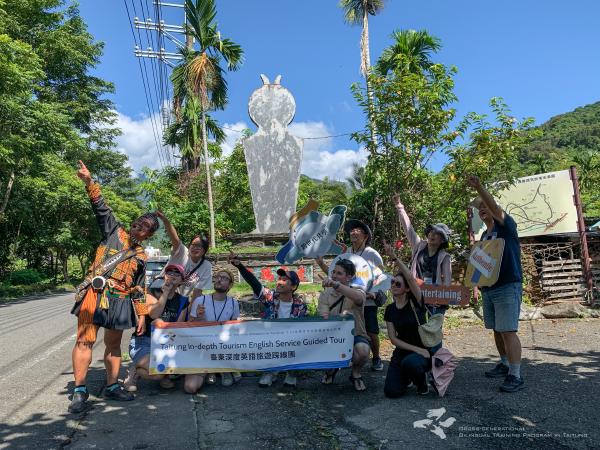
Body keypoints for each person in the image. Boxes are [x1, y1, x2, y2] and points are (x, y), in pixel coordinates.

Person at [69, 161, 159, 413]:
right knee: (84, 340)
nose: (138, 227)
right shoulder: (114, 232)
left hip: (120, 300)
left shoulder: (142, 256)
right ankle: (79, 390)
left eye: (145, 228)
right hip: (94, 294)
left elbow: (139, 288)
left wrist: (141, 313)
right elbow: (101, 207)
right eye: (138, 222)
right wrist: (89, 182)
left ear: (149, 235)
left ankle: (111, 386)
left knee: (113, 345)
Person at [466, 175, 524, 393]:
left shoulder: (506, 227)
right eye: (479, 208)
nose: (482, 209)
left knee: (508, 330)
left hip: (508, 285)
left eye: (485, 206)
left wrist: (479, 187)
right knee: (497, 330)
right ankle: (504, 363)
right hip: (489, 289)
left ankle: (516, 375)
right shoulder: (483, 236)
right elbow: (479, 266)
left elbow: (494, 208)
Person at [229, 251, 308, 387]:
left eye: (284, 280)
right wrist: (239, 266)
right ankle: (269, 372)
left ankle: (291, 372)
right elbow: (255, 283)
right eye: (279, 279)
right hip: (272, 339)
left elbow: (305, 329)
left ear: (293, 287)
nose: (279, 282)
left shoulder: (301, 306)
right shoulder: (271, 297)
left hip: (292, 340)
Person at [316, 219, 385, 372]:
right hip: (347, 299)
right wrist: (321, 263)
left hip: (367, 299)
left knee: (371, 330)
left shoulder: (372, 254)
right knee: (347, 328)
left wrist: (373, 294)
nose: (353, 232)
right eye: (352, 230)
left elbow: (382, 276)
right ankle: (344, 360)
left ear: (365, 236)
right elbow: (336, 273)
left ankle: (377, 357)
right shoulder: (347, 253)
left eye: (357, 230)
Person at [124, 264, 190, 392]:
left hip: (166, 344)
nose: (173, 275)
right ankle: (133, 371)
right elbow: (154, 314)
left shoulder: (183, 301)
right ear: (164, 276)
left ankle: (163, 375)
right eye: (169, 272)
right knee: (158, 372)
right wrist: (165, 293)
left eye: (177, 274)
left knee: (170, 369)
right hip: (143, 341)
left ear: (182, 280)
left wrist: (163, 326)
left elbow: (177, 326)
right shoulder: (151, 292)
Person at [183, 268, 241, 393]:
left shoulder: (233, 303)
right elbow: (190, 327)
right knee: (190, 387)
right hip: (202, 348)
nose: (219, 279)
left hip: (223, 346)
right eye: (218, 276)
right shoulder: (200, 301)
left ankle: (223, 369)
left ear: (230, 285)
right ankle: (214, 370)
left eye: (224, 278)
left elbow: (234, 328)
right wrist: (198, 317)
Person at [393, 194, 452, 315]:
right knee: (416, 330)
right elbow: (408, 228)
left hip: (435, 298)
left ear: (442, 240)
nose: (432, 235)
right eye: (431, 232)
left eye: (437, 234)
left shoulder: (445, 257)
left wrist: (441, 298)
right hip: (416, 294)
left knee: (433, 332)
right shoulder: (419, 246)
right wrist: (399, 205)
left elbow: (447, 281)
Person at [383, 256, 432, 398]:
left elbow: (410, 278)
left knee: (411, 363)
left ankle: (422, 382)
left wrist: (395, 258)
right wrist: (415, 349)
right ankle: (407, 376)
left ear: (407, 289)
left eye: (398, 284)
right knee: (391, 392)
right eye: (392, 282)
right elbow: (393, 339)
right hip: (404, 351)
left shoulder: (417, 303)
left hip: (424, 351)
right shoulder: (390, 309)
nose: (393, 285)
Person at [318, 258, 369, 391]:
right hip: (333, 337)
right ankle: (332, 369)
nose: (334, 276)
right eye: (333, 272)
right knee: (325, 362)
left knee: (363, 351)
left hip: (356, 335)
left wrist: (336, 285)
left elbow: (358, 298)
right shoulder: (325, 294)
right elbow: (323, 316)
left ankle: (355, 373)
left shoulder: (358, 291)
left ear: (349, 277)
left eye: (339, 273)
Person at [154, 211, 213, 300]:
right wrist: (165, 220)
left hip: (177, 301)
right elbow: (175, 238)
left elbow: (197, 292)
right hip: (159, 293)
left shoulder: (206, 266)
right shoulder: (182, 252)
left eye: (199, 246)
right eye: (193, 245)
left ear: (205, 250)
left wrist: (191, 312)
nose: (195, 248)